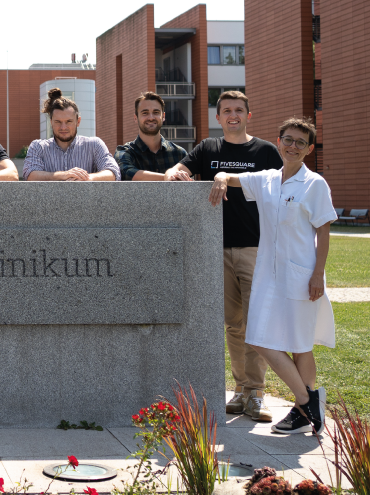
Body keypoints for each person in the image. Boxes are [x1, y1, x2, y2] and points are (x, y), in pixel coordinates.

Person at [207, 117, 335, 434]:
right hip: (268, 275)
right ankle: (309, 401)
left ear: (310, 149)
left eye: (300, 142)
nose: (292, 146)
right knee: (259, 338)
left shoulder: (314, 184)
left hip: (302, 275)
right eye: (287, 139)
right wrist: (222, 176)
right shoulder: (266, 179)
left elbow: (324, 230)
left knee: (301, 344)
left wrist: (318, 274)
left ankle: (302, 410)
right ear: (278, 142)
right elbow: (234, 178)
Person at [165, 91, 282, 423]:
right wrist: (175, 170)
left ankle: (256, 393)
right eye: (226, 111)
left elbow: (278, 192)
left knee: (257, 321)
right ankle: (240, 389)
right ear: (218, 118)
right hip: (216, 248)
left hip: (255, 246)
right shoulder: (208, 149)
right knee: (233, 323)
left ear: (248, 114)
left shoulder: (265, 151)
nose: (233, 115)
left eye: (239, 110)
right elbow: (181, 167)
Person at [23, 88, 119, 181]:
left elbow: (113, 172)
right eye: (58, 122)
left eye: (69, 121)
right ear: (51, 122)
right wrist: (64, 175)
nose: (63, 127)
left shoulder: (94, 145)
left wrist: (87, 178)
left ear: (78, 121)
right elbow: (30, 175)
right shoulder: (38, 147)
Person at [115, 92, 187, 180]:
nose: (151, 117)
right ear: (135, 118)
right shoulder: (124, 152)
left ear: (163, 116)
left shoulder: (180, 154)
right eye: (145, 113)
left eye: (156, 112)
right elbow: (126, 173)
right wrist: (169, 178)